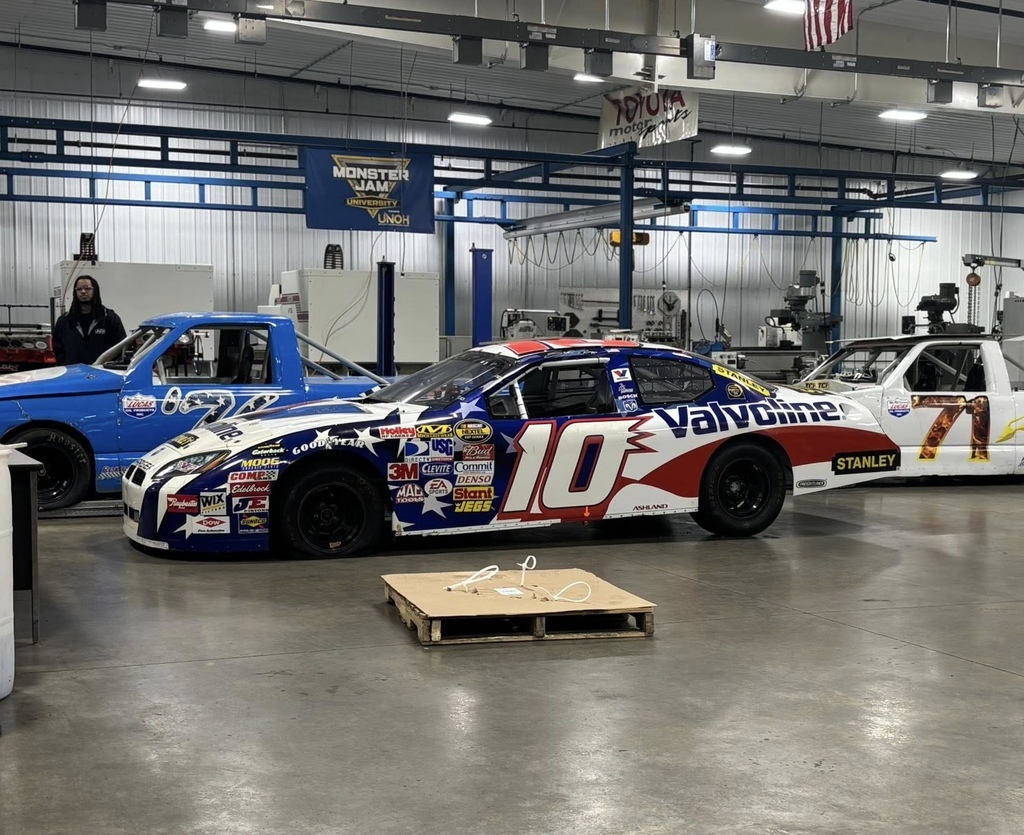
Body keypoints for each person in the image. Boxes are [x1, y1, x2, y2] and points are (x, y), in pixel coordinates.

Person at [53, 275, 127, 365]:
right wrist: (65, 364)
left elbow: (120, 346)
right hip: (73, 374)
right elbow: (57, 348)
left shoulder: (110, 319)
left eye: (87, 288)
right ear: (75, 292)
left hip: (101, 374)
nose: (83, 292)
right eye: (79, 289)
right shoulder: (64, 321)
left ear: (95, 291)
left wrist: (109, 366)